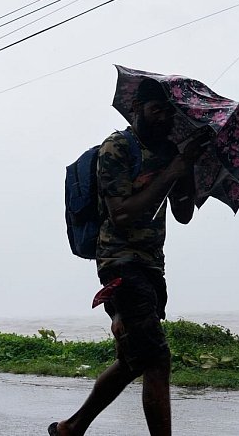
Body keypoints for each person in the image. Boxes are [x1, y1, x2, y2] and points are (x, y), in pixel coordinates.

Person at [50, 78, 212, 436]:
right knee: (157, 357)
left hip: (153, 264)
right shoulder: (117, 148)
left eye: (170, 114)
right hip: (120, 262)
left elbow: (183, 214)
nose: (164, 120)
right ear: (137, 108)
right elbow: (121, 214)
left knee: (133, 358)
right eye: (157, 111)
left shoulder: (171, 150)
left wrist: (186, 172)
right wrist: (172, 170)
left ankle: (71, 428)